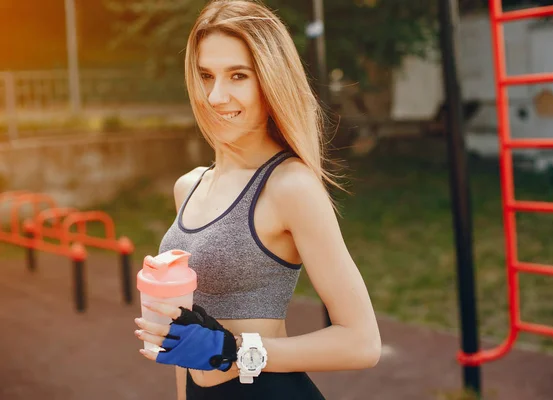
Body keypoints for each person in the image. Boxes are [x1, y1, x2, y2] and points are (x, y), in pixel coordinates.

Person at [133, 0, 381, 398]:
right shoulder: (190, 186)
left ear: (270, 81)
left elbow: (362, 343)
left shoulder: (290, 187)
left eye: (238, 76)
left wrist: (232, 351)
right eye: (206, 75)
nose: (216, 96)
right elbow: (185, 343)